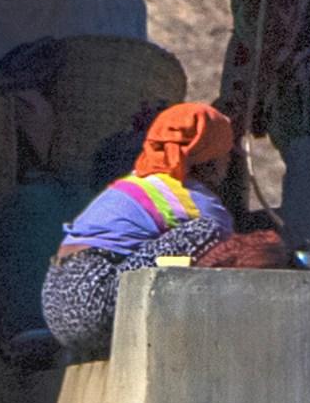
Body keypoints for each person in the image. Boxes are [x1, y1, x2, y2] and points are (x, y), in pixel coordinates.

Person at [35, 101, 284, 358]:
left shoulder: (134, 182)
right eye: (227, 153)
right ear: (211, 158)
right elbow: (230, 260)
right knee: (223, 245)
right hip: (93, 302)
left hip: (56, 305)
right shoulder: (196, 204)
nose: (229, 161)